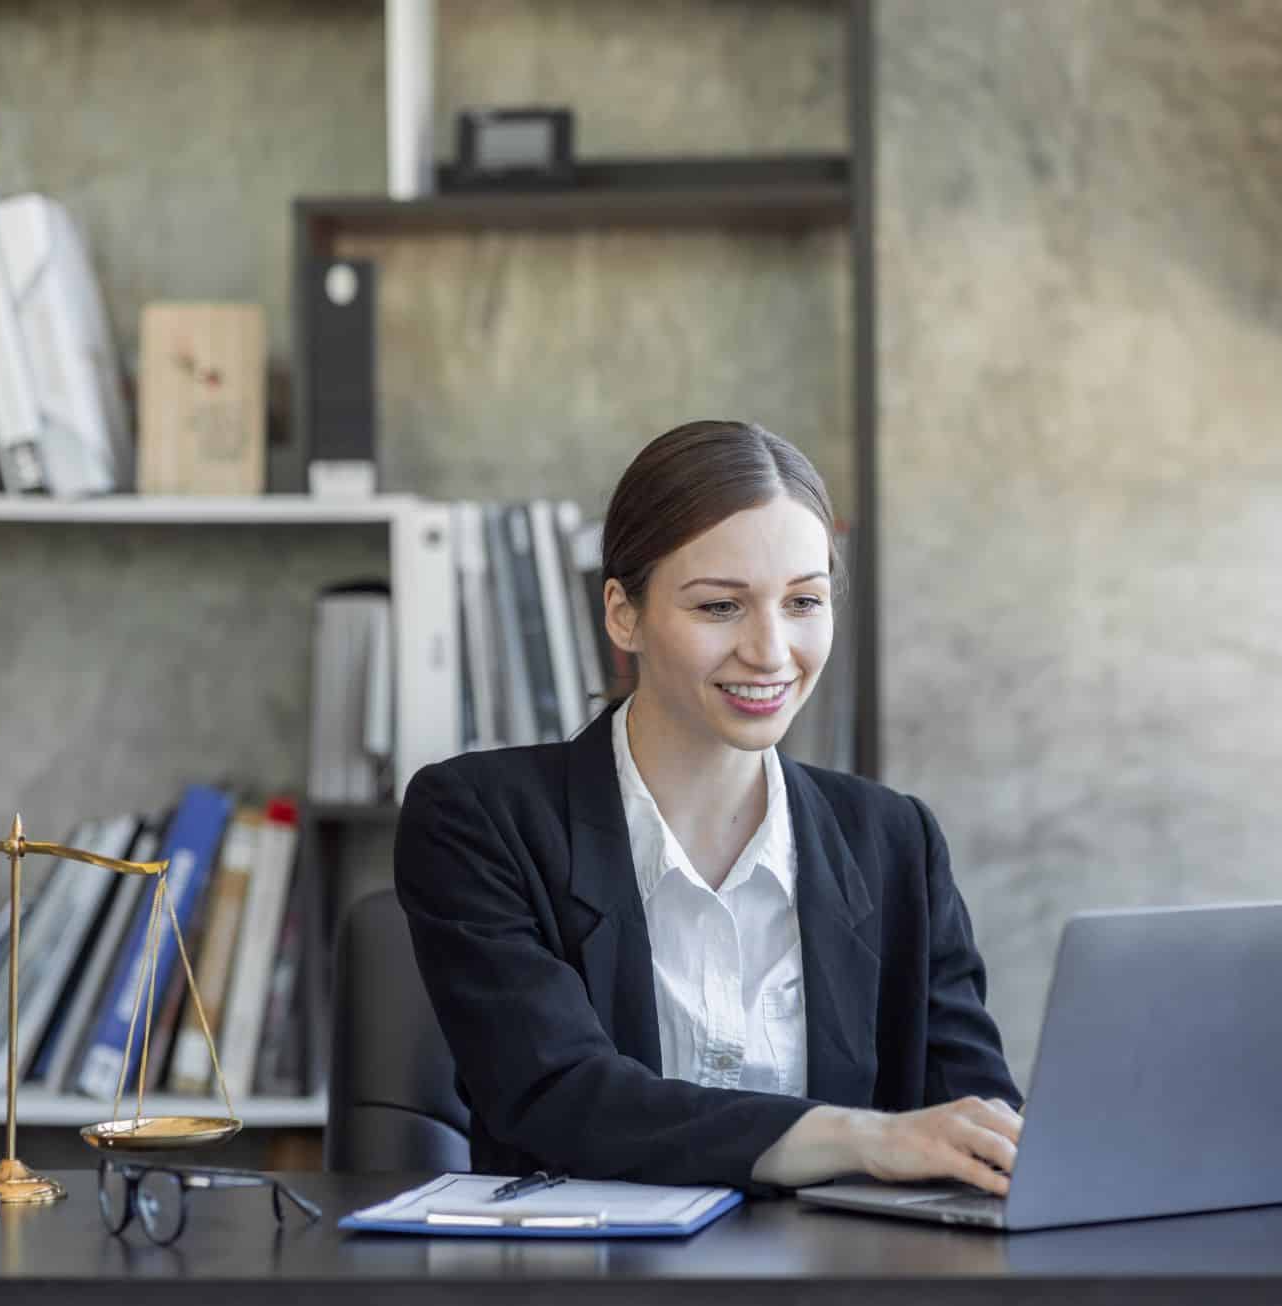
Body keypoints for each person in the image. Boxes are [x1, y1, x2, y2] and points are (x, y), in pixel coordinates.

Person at [395, 418, 1028, 1198]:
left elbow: (975, 1120)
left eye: (803, 601)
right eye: (721, 607)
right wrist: (864, 1136)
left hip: (841, 1298)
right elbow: (557, 1095)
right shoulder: (478, 818)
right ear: (623, 613)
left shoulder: (895, 843)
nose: (770, 651)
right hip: (585, 1298)